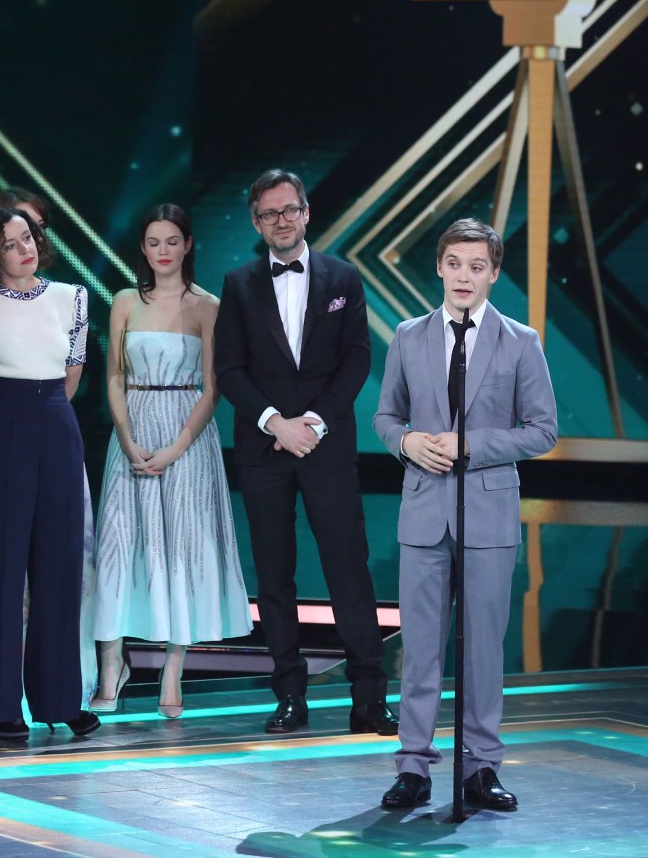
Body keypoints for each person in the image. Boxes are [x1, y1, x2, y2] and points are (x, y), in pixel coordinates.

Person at [374, 218, 556, 811]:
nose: (464, 275)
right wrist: (407, 444)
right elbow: (386, 418)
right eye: (455, 263)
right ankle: (414, 768)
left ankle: (481, 768)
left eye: (477, 266)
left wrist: (471, 446)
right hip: (425, 514)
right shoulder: (408, 335)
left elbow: (542, 431)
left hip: (488, 515)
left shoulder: (520, 341)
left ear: (494, 274)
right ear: (439, 267)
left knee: (483, 649)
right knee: (421, 646)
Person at [214, 169, 397, 737]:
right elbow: (229, 369)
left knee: (349, 570)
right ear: (256, 222)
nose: (281, 220)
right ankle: (290, 695)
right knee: (274, 576)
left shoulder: (344, 275)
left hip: (326, 445)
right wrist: (276, 423)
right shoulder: (239, 283)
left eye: (289, 209)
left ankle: (368, 698)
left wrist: (312, 423)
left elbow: (357, 360)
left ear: (306, 211)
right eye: (269, 214)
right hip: (264, 448)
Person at [92, 204, 252, 717]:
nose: (163, 251)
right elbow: (114, 377)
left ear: (187, 245)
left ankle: (172, 669)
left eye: (172, 241)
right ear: (143, 248)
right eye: (153, 242)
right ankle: (111, 667)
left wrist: (178, 446)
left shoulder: (208, 306)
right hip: (131, 431)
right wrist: (126, 434)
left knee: (180, 545)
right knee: (120, 543)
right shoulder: (123, 301)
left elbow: (214, 387)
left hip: (187, 436)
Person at [0, 205, 98, 740]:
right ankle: (0, 705)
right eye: (12, 243)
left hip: (56, 425)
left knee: (59, 568)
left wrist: (45, 416)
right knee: (0, 567)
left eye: (29, 238)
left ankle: (60, 699)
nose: (25, 249)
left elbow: (71, 372)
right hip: (0, 423)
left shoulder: (73, 297)